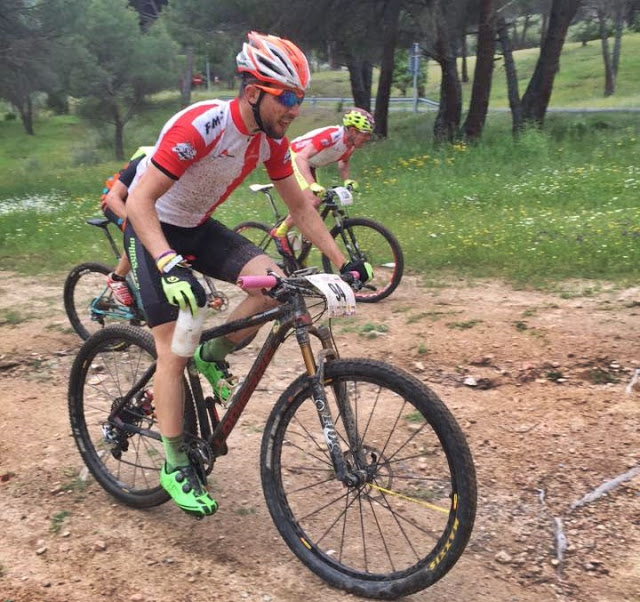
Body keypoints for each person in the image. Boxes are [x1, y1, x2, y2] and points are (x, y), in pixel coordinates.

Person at [124, 32, 372, 518]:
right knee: (172, 348)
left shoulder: (270, 142)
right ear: (254, 92)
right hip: (153, 226)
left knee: (275, 283)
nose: (295, 109)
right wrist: (165, 262)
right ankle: (174, 464)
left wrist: (343, 261)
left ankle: (213, 351)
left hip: (196, 228)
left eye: (300, 98)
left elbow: (299, 204)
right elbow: (138, 201)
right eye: (289, 98)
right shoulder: (204, 126)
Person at [269, 107, 375, 254]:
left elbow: (343, 163)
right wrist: (312, 184)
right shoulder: (332, 135)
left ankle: (301, 257)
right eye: (365, 134)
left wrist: (347, 181)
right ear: (352, 131)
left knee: (313, 211)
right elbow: (301, 157)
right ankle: (280, 233)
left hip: (309, 164)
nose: (367, 138)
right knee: (311, 201)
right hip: (293, 157)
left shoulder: (350, 145)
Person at [100, 146, 153, 305]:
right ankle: (117, 278)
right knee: (140, 232)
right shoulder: (145, 159)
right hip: (113, 200)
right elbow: (113, 198)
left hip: (137, 202)